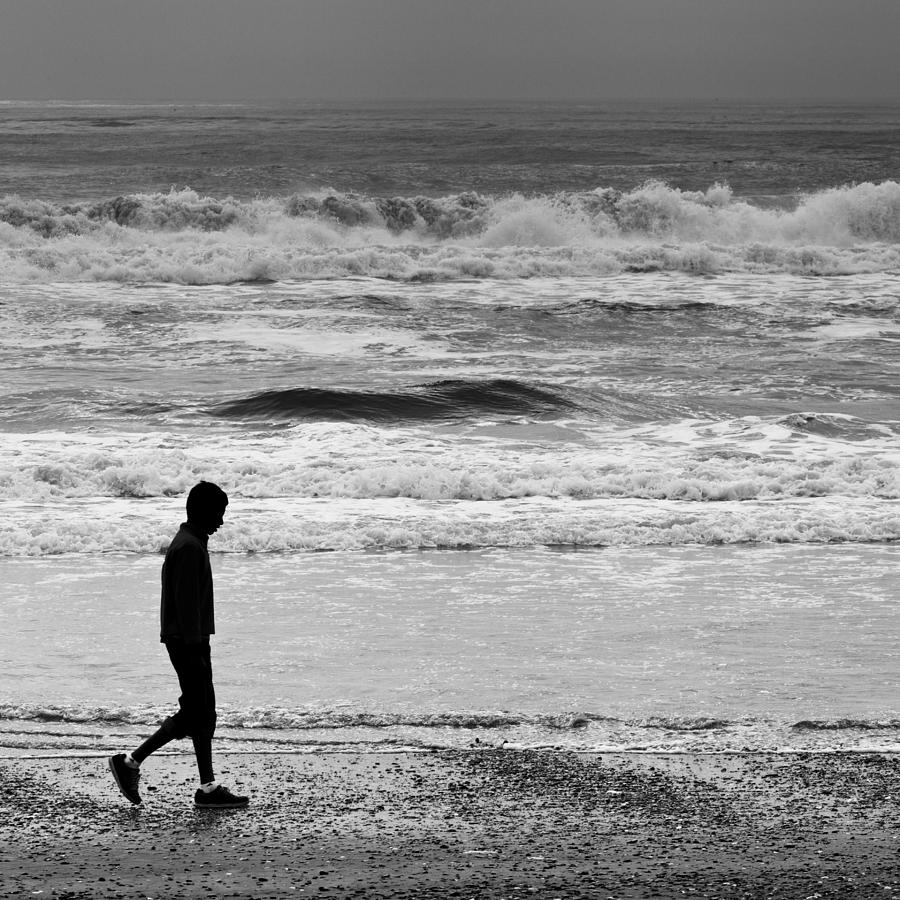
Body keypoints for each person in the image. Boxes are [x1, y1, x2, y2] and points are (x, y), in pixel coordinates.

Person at [109, 481, 249, 809]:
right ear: (202, 511)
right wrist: (195, 651)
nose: (222, 521)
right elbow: (186, 606)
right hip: (187, 641)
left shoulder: (193, 542)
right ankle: (130, 762)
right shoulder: (188, 547)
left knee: (203, 713)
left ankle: (207, 787)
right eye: (218, 513)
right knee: (196, 711)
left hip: (193, 639)